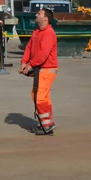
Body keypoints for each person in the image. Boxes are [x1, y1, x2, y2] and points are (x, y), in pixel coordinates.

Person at [20, 7, 58, 135]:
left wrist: (30, 65)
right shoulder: (37, 32)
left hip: (47, 70)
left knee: (39, 97)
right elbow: (29, 48)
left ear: (45, 18)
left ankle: (47, 126)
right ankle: (47, 124)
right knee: (41, 97)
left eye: (39, 13)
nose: (36, 14)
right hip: (40, 69)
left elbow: (43, 54)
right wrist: (24, 63)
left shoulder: (49, 33)